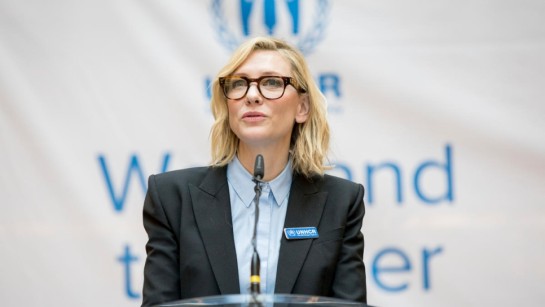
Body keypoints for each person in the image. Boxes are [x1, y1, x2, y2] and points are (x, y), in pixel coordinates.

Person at [142, 36, 366, 307]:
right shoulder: (171, 198)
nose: (251, 95)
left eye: (272, 83)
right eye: (239, 84)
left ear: (302, 107)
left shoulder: (340, 202)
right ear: (227, 105)